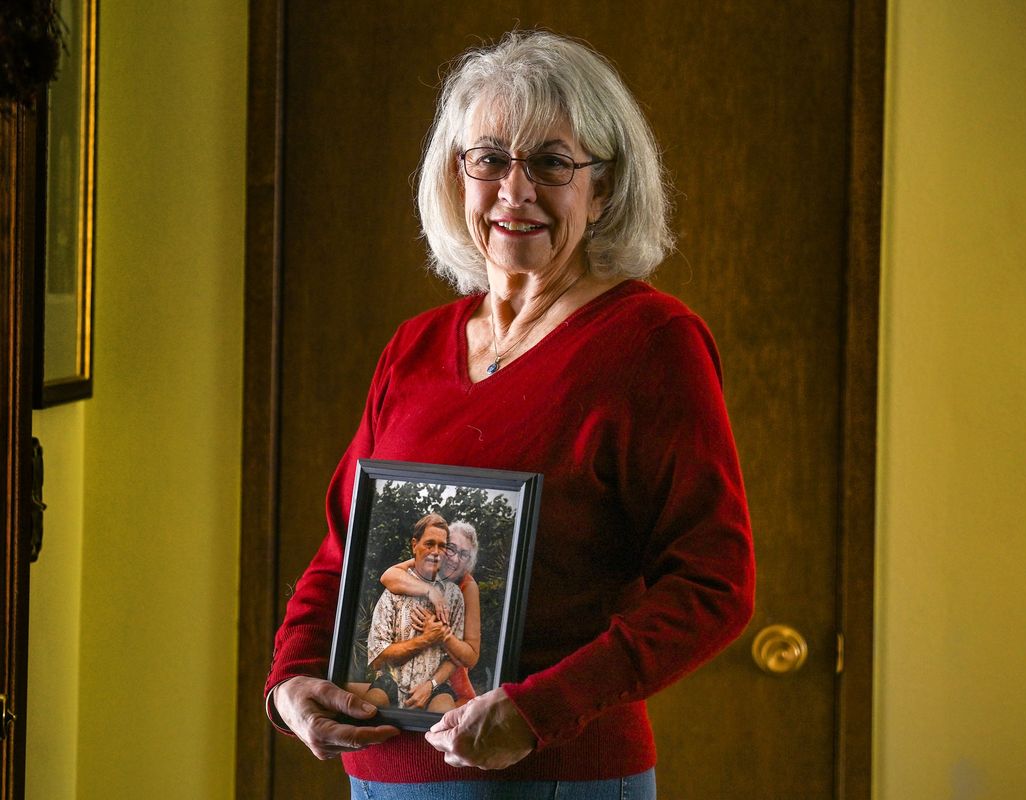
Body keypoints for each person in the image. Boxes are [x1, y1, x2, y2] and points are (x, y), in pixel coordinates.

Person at [266, 30, 755, 798]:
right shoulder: (416, 347)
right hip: (379, 779)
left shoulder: (652, 344)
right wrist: (291, 678)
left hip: (552, 775)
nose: (513, 190)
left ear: (603, 189)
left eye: (551, 164)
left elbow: (715, 584)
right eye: (489, 158)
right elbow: (342, 552)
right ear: (456, 175)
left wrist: (538, 711)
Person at [364, 514, 466, 712]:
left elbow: (455, 658)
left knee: (445, 716)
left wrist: (431, 685)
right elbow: (378, 659)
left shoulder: (454, 596)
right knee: (368, 710)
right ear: (414, 545)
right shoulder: (394, 589)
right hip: (390, 682)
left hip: (434, 686)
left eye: (442, 546)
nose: (436, 552)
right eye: (429, 544)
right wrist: (426, 639)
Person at [378, 520, 482, 707]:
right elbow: (388, 576)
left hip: (450, 673)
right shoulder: (429, 561)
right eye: (451, 548)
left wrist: (439, 634)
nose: (455, 559)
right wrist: (430, 591)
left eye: (464, 555)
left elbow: (471, 657)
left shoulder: (468, 586)